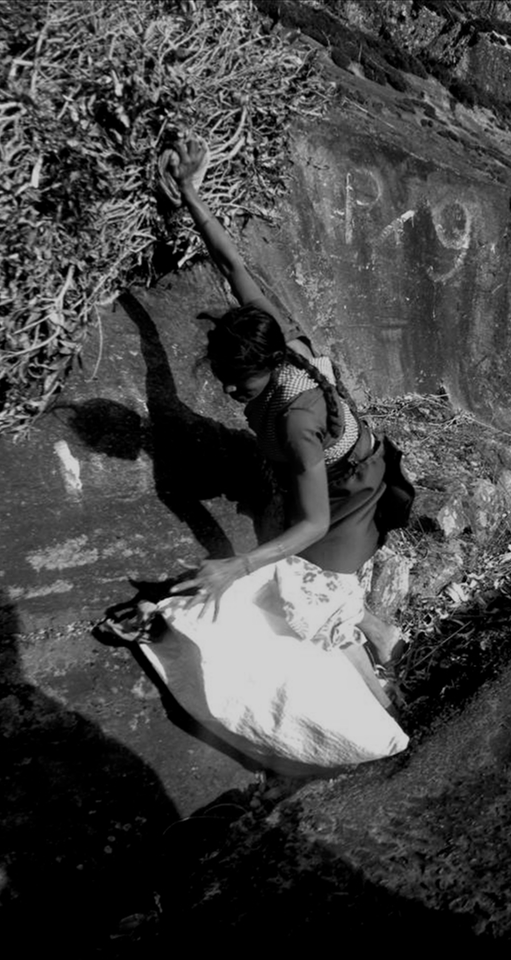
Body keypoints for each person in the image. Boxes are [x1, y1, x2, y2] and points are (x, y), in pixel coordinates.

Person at [167, 136, 402, 671]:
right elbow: (231, 265)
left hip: (347, 485)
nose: (230, 392)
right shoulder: (271, 336)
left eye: (240, 385)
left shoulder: (297, 418)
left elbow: (316, 521)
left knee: (305, 583)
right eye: (224, 380)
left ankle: (381, 701)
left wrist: (236, 566)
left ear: (270, 366)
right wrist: (189, 194)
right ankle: (382, 632)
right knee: (291, 552)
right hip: (319, 466)